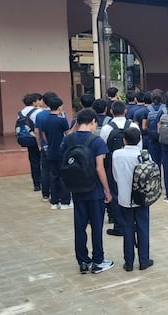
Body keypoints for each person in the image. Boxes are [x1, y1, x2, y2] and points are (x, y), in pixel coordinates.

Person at [66, 108, 114, 274]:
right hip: (94, 190)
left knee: (79, 226)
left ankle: (83, 262)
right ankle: (98, 260)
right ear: (93, 121)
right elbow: (100, 168)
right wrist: (107, 190)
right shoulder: (97, 141)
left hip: (76, 188)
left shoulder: (68, 139)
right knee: (96, 226)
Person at [111, 127, 153, 272]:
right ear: (140, 139)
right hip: (141, 197)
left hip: (124, 197)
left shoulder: (116, 154)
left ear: (124, 140)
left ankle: (128, 262)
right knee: (143, 227)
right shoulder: (145, 155)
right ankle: (144, 260)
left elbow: (115, 176)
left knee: (127, 229)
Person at [99, 101, 142, 237]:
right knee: (135, 191)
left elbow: (103, 149)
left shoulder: (107, 128)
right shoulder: (134, 126)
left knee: (116, 193)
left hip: (114, 164)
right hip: (134, 164)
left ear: (111, 111)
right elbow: (140, 147)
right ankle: (135, 222)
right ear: (126, 111)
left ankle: (119, 225)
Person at [40, 96, 73, 210]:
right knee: (64, 176)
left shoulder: (44, 120)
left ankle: (54, 201)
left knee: (53, 176)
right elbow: (68, 133)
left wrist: (49, 143)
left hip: (50, 151)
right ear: (59, 107)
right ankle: (65, 201)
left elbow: (44, 135)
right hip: (62, 151)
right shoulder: (61, 120)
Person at [19, 93, 43, 191]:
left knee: (33, 161)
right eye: (40, 100)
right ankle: (44, 182)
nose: (41, 102)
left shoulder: (21, 112)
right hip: (38, 139)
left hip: (27, 138)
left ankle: (36, 184)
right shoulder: (39, 111)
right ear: (35, 102)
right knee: (43, 162)